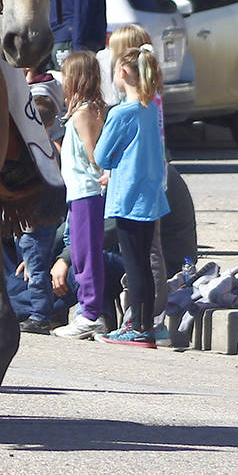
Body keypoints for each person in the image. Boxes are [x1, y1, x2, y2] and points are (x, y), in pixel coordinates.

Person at [93, 42, 170, 347]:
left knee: (134, 264)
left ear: (123, 72)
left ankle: (136, 326)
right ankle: (146, 324)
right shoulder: (151, 109)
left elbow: (101, 154)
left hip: (127, 196)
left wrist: (110, 164)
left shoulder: (121, 113)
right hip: (150, 196)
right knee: (143, 264)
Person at [53, 50, 112, 339]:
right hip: (78, 192)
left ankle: (90, 313)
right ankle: (87, 309)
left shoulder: (84, 112)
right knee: (79, 252)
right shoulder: (84, 110)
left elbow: (94, 155)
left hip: (88, 192)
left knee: (85, 253)